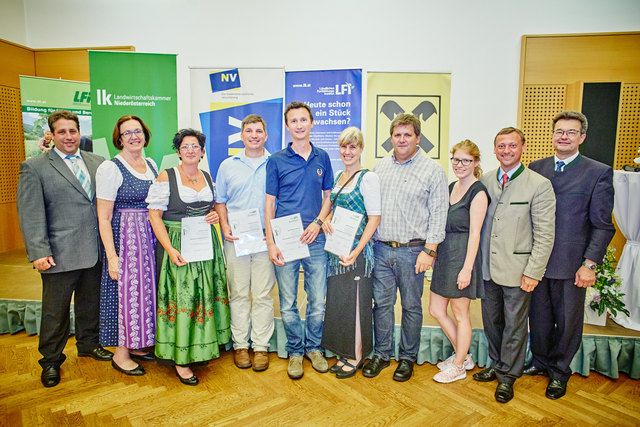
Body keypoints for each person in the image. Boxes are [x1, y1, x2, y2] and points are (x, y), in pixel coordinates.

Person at [17, 109, 113, 388]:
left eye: (73, 131)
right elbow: (30, 213)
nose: (69, 137)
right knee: (54, 312)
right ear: (52, 135)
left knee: (90, 304)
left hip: (95, 250)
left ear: (79, 132)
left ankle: (88, 345)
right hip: (58, 254)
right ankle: (50, 360)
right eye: (62, 131)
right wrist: (38, 251)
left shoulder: (99, 163)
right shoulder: (34, 167)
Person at [525, 111, 615, 399]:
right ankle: (540, 361)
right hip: (537, 262)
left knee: (567, 323)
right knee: (538, 320)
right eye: (559, 131)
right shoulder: (536, 168)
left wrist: (590, 264)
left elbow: (602, 225)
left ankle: (560, 371)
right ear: (552, 135)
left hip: (571, 263)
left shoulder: (597, 172)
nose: (564, 136)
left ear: (582, 137)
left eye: (571, 132)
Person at [363, 113, 448, 382]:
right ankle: (381, 353)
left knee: (412, 307)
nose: (401, 139)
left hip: (414, 252)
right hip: (381, 249)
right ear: (391, 138)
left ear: (418, 138)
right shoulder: (379, 169)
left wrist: (430, 250)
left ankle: (407, 358)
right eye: (397, 135)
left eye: (407, 135)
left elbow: (439, 213)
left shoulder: (432, 170)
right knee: (382, 305)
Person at [474, 127, 556, 403]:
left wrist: (533, 271)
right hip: (487, 269)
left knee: (515, 325)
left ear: (523, 148)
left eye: (512, 146)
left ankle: (508, 376)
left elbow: (545, 234)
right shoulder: (484, 181)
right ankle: (496, 364)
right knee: (492, 323)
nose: (506, 151)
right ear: (494, 149)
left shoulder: (538, 184)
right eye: (501, 146)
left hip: (519, 270)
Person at [147, 129, 231, 385]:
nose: (191, 150)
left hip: (205, 244)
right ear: (178, 151)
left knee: (202, 295)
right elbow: (154, 215)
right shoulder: (166, 176)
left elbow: (215, 207)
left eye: (195, 146)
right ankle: (181, 359)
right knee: (182, 297)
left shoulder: (207, 176)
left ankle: (201, 347)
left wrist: (215, 217)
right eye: (185, 146)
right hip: (177, 242)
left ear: (202, 151)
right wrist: (170, 249)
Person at [265, 101, 334, 379]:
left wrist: (318, 223)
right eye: (293, 121)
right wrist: (271, 242)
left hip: (315, 238)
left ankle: (313, 348)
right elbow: (269, 205)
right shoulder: (276, 160)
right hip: (286, 238)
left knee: (318, 300)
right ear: (287, 126)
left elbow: (328, 198)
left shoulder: (323, 157)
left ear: (312, 122)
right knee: (289, 300)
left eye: (303, 119)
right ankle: (295, 351)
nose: (299, 125)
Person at [96, 115, 158, 376]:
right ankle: (121, 353)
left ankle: (138, 343)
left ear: (145, 134)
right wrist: (112, 256)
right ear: (119, 139)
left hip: (149, 239)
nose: (134, 136)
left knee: (145, 292)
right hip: (125, 239)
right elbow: (104, 216)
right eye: (127, 133)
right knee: (124, 294)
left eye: (138, 131)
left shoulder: (152, 163)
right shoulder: (111, 168)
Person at [215, 114, 276, 372]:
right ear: (241, 135)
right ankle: (240, 344)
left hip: (265, 238)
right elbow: (220, 201)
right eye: (249, 130)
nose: (254, 135)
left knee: (262, 294)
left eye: (258, 131)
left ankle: (260, 347)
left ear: (265, 135)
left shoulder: (275, 163)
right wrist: (224, 225)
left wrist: (273, 234)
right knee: (239, 293)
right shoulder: (228, 165)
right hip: (237, 237)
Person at [319, 127, 381, 379]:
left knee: (357, 304)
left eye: (352, 147)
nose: (347, 151)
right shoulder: (338, 177)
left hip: (357, 254)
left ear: (360, 149)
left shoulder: (368, 178)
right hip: (336, 252)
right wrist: (325, 221)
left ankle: (356, 356)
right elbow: (333, 208)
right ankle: (345, 352)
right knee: (342, 304)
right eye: (344, 147)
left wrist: (356, 252)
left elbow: (374, 219)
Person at [429, 140, 489, 383]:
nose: (460, 164)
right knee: (435, 309)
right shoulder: (452, 186)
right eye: (456, 159)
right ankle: (463, 356)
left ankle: (458, 365)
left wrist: (466, 269)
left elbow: (475, 233)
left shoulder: (479, 192)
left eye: (466, 160)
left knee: (460, 313)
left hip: (463, 257)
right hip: (445, 255)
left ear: (475, 163)